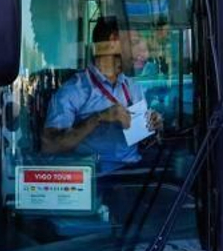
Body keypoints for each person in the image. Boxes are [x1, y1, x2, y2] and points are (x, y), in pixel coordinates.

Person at [42, 17, 162, 171]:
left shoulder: (132, 86)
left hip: (135, 173)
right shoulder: (73, 91)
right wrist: (98, 118)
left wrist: (154, 126)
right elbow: (50, 146)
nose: (145, 53)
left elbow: (141, 138)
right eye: (135, 42)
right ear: (113, 42)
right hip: (99, 181)